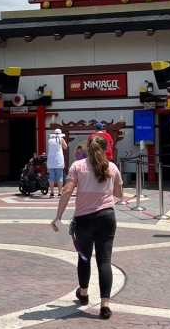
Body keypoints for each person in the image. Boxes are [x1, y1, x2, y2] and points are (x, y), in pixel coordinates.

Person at [51, 136, 123, 319]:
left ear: (88, 148)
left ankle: (83, 294)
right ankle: (105, 305)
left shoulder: (78, 166)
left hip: (84, 218)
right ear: (106, 148)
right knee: (104, 260)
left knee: (84, 258)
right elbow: (119, 195)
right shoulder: (112, 168)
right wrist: (104, 203)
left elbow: (67, 191)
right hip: (107, 217)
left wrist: (58, 217)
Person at [45, 128, 68, 197]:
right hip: (58, 160)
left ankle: (51, 192)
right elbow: (65, 147)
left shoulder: (50, 140)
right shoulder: (61, 139)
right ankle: (60, 192)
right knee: (59, 177)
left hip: (51, 160)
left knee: (51, 177)